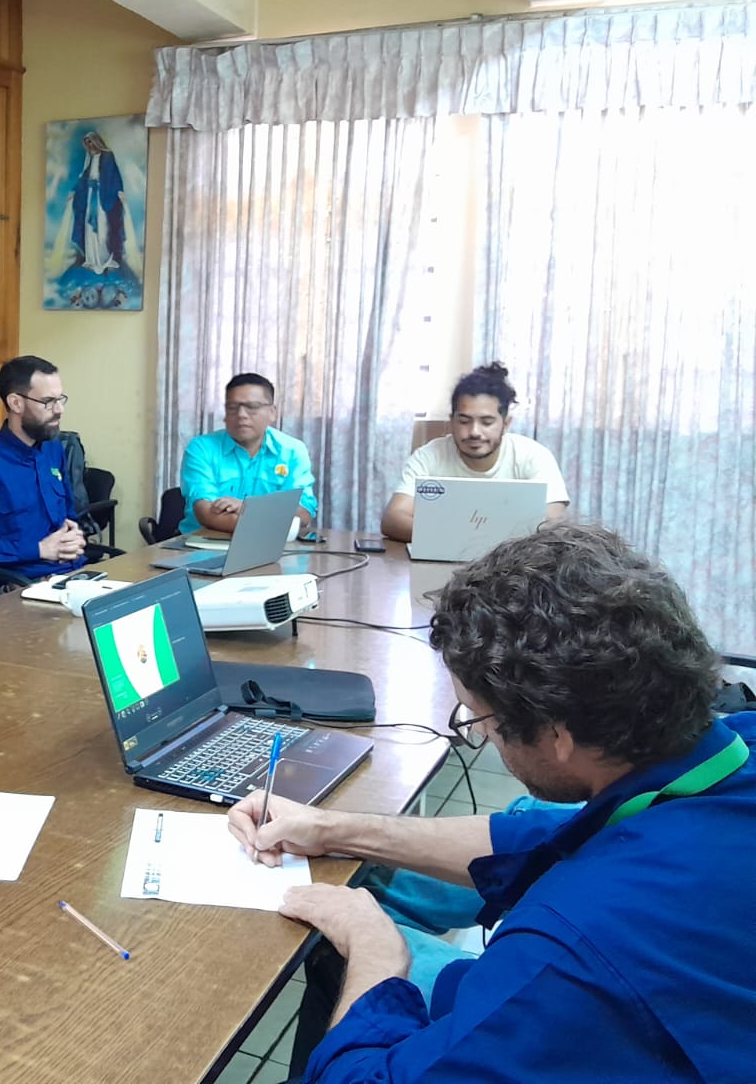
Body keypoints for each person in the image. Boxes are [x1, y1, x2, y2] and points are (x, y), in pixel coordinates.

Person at [228, 523, 755, 1082]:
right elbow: (549, 840)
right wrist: (332, 828)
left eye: (480, 720)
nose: (479, 735)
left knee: (345, 951)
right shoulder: (727, 750)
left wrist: (375, 952)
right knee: (496, 834)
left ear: (559, 735)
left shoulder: (566, 953)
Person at [381, 361, 569, 541]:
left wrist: (482, 543)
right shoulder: (428, 456)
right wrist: (466, 540)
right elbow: (393, 519)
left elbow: (553, 524)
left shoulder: (534, 456)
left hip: (513, 565)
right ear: (451, 420)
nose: (474, 432)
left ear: (506, 423)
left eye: (487, 422)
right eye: (464, 421)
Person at [0, 355, 87, 580]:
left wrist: (76, 537)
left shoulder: (53, 448)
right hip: (23, 584)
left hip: (75, 572)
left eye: (60, 399)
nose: (59, 410)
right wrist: (39, 550)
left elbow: (70, 515)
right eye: (48, 402)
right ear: (16, 403)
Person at [178, 373, 317, 535]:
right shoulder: (201, 448)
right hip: (203, 545)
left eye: (252, 407)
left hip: (272, 546)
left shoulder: (292, 450)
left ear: (272, 412)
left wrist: (246, 507)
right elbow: (207, 514)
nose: (241, 414)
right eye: (232, 407)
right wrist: (276, 515)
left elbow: (303, 514)